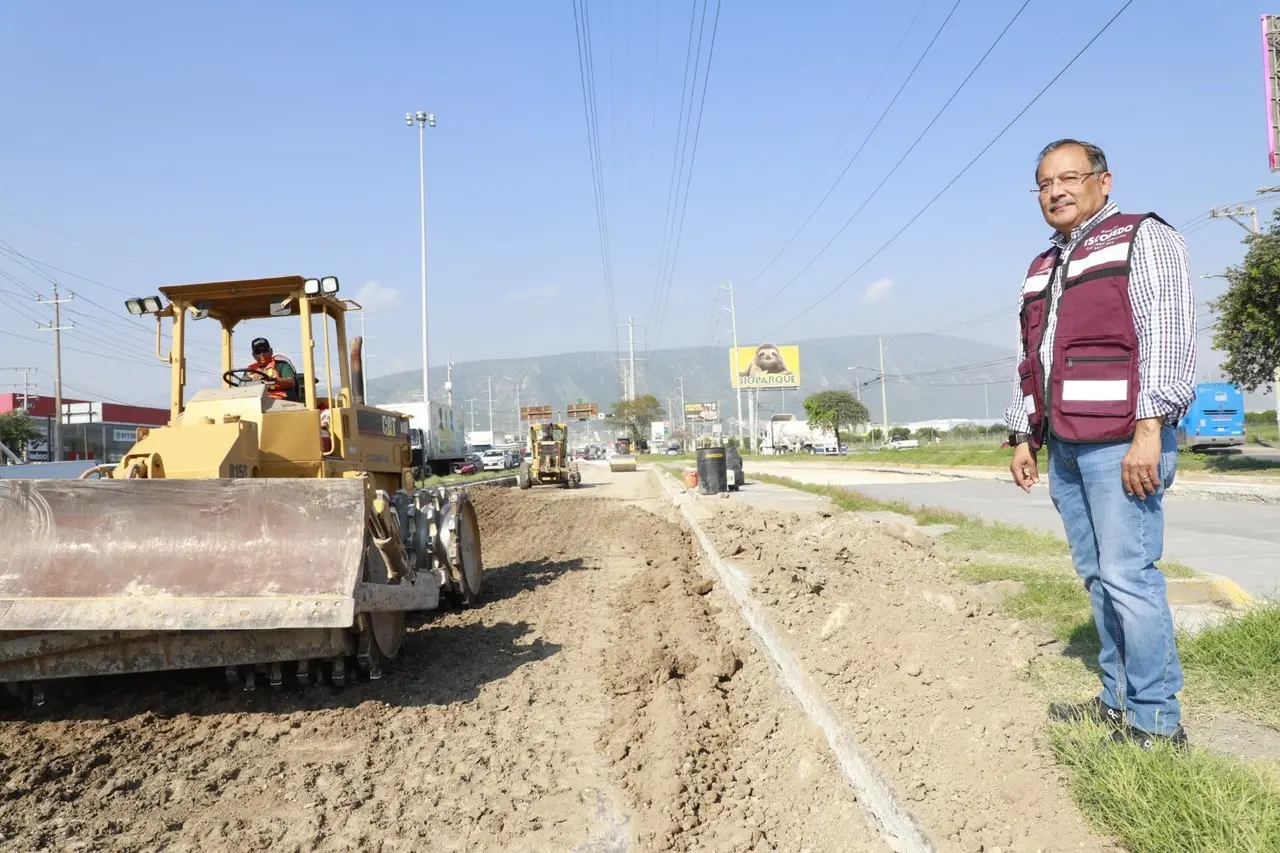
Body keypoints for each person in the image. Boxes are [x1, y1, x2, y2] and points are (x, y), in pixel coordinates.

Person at [1004, 139, 1196, 749]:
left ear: (1103, 182)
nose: (1055, 191)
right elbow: (1031, 357)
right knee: (1096, 577)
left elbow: (1165, 331)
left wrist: (1152, 428)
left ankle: (1157, 721)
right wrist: (1024, 434)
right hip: (1064, 442)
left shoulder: (1144, 237)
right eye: (1043, 183)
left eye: (1068, 178)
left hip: (1124, 440)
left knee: (1127, 575)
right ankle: (1116, 701)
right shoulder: (1042, 265)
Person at [247, 337, 298, 401]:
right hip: (257, 401)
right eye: (258, 352)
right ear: (253, 355)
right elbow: (243, 387)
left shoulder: (281, 364)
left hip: (281, 400)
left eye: (264, 350)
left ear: (271, 351)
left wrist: (273, 379)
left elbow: (291, 383)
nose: (262, 354)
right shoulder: (250, 370)